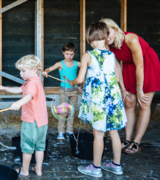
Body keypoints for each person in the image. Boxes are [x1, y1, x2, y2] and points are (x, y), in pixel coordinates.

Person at [69, 22, 127, 178]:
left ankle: (95, 168)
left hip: (98, 101)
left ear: (90, 38)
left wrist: (72, 82)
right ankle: (116, 165)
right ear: (105, 36)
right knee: (114, 132)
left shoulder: (89, 55)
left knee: (99, 134)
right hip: (112, 99)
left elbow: (80, 79)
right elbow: (113, 76)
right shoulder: (111, 55)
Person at [100, 18, 160, 154]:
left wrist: (139, 89)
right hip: (128, 67)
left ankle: (137, 142)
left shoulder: (130, 39)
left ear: (115, 29)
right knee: (128, 102)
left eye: (108, 32)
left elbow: (140, 65)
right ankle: (127, 139)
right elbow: (117, 67)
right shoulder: (108, 45)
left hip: (146, 65)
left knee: (144, 104)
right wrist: (122, 88)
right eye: (102, 34)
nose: (106, 37)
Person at [0, 55, 48, 177]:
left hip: (31, 122)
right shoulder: (35, 81)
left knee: (27, 147)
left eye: (23, 71)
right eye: (20, 71)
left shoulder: (31, 84)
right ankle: (38, 169)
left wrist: (18, 103)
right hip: (42, 122)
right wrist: (4, 88)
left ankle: (24, 170)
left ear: (34, 69)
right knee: (40, 146)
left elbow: (28, 96)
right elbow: (19, 89)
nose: (21, 73)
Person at [42, 43, 81, 140]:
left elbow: (87, 64)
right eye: (67, 54)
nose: (69, 56)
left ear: (74, 53)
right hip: (64, 91)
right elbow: (49, 69)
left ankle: (69, 131)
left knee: (71, 112)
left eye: (71, 54)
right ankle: (60, 131)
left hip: (74, 91)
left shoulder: (77, 63)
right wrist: (46, 71)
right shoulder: (60, 64)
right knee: (63, 112)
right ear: (63, 53)